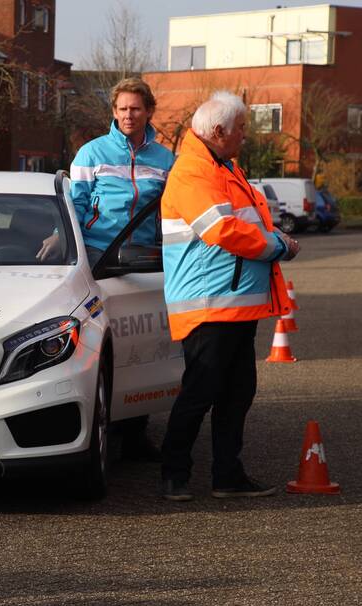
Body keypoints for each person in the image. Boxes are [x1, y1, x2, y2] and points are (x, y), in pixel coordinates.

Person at [158, 91, 299, 502]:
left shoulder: (223, 168)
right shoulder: (192, 173)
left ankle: (227, 476)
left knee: (237, 394)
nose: (244, 136)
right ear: (218, 131)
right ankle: (174, 474)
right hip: (209, 305)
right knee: (200, 393)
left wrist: (272, 241)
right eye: (240, 129)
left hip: (232, 304)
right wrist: (278, 245)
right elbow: (222, 230)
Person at [41, 77, 175, 461]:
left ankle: (135, 429)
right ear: (113, 113)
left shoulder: (166, 160)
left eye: (135, 108)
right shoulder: (91, 153)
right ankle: (104, 421)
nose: (128, 115)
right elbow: (76, 205)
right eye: (122, 109)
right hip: (99, 259)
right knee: (103, 341)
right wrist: (58, 237)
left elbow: (174, 212)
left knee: (142, 344)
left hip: (146, 259)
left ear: (148, 111)